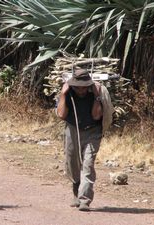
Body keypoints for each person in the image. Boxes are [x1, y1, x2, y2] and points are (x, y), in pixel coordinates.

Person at [56, 69, 103, 211]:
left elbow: (96, 116)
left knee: (88, 164)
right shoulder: (68, 94)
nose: (81, 90)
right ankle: (76, 193)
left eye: (84, 87)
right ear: (73, 85)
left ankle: (85, 200)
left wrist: (96, 96)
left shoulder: (94, 94)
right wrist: (63, 94)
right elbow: (61, 115)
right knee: (72, 163)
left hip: (92, 132)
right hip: (72, 130)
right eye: (78, 87)